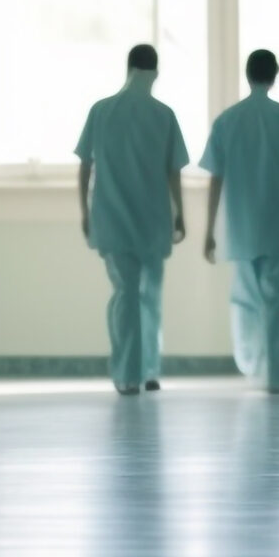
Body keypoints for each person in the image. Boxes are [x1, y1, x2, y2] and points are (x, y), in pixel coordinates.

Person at [199, 49, 279, 395]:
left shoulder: (227, 121)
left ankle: (253, 365)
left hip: (241, 228)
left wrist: (209, 232)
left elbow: (215, 180)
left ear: (248, 74)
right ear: (274, 75)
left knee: (246, 302)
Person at [75, 43, 189, 395]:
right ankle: (150, 369)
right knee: (150, 296)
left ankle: (127, 374)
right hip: (154, 219)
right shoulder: (163, 114)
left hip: (112, 217)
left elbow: (85, 166)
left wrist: (84, 210)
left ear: (128, 69)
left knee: (125, 295)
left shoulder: (102, 110)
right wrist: (179, 214)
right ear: (154, 72)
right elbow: (174, 173)